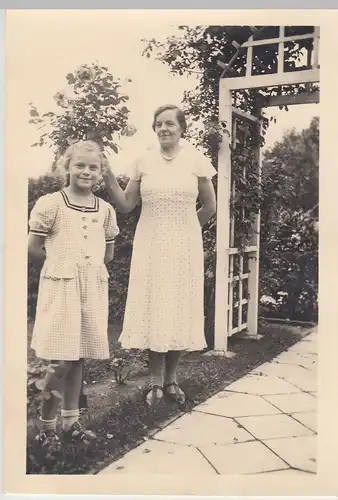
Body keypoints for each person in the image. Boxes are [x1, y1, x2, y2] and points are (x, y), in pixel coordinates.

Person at [103, 104, 217, 406]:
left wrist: (186, 230)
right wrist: (108, 176)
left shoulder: (196, 160)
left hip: (184, 245)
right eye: (158, 124)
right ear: (154, 129)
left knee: (178, 305)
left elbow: (209, 206)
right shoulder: (143, 161)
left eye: (169, 123)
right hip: (150, 243)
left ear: (182, 128)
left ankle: (171, 380)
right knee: (155, 305)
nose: (164, 128)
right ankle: (154, 382)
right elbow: (127, 205)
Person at [28, 140, 119, 452]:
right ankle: (46, 427)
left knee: (78, 356)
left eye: (93, 167)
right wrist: (61, 267)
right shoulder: (51, 204)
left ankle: (70, 422)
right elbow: (34, 247)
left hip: (90, 287)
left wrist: (86, 269)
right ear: (66, 167)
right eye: (79, 165)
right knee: (60, 360)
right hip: (61, 287)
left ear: (101, 173)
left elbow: (108, 252)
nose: (86, 171)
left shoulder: (105, 210)